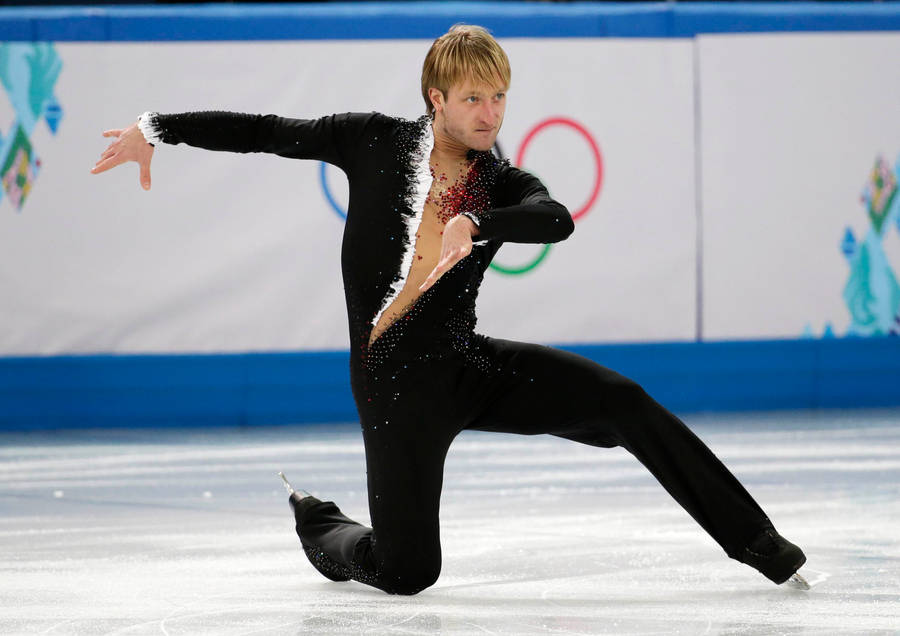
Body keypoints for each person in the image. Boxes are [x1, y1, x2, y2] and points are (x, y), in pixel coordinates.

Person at [91, 24, 807, 595]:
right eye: (473, 98)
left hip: (468, 366)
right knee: (407, 573)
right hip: (394, 387)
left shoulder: (500, 180)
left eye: (499, 97)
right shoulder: (371, 139)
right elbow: (268, 130)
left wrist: (478, 223)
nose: (490, 114)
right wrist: (155, 128)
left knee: (623, 399)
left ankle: (760, 545)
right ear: (436, 98)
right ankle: (320, 523)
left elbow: (554, 218)